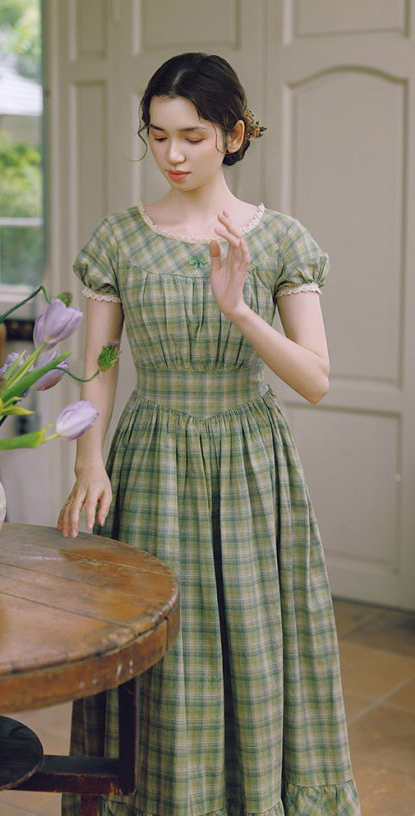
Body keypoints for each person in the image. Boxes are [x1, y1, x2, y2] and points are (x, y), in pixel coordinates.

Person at [57, 52, 360, 816]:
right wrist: (88, 460)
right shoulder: (120, 239)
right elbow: (98, 359)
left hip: (250, 462)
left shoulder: (281, 239)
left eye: (191, 135)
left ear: (232, 134)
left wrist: (240, 309)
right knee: (157, 651)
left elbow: (315, 379)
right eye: (158, 137)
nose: (174, 154)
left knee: (254, 649)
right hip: (152, 454)